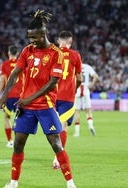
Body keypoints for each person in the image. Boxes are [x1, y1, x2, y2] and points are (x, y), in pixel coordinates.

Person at [0, 10, 77, 188]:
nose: (32, 41)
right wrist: (4, 94)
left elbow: (52, 82)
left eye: (35, 37)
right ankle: (13, 183)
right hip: (26, 109)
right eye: (29, 37)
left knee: (56, 144)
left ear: (44, 34)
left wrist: (28, 98)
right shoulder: (27, 50)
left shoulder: (56, 53)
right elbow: (15, 73)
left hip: (46, 106)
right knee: (18, 144)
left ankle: (70, 183)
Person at [52, 31, 82, 169]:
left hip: (52, 95)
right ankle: (57, 159)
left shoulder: (52, 53)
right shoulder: (75, 55)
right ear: (70, 42)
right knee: (63, 127)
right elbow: (80, 78)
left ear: (59, 41)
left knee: (53, 126)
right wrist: (74, 89)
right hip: (67, 96)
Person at [0, 44, 24, 148]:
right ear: (17, 53)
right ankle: (18, 142)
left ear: (9, 53)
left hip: (8, 95)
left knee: (7, 118)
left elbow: (2, 80)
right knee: (19, 119)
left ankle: (10, 141)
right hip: (20, 95)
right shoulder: (22, 64)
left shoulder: (5, 64)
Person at [73, 63, 99, 137]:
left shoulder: (74, 66)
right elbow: (96, 76)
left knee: (77, 112)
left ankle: (77, 132)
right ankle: (91, 126)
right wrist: (92, 84)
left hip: (77, 90)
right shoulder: (87, 67)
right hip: (86, 90)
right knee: (88, 110)